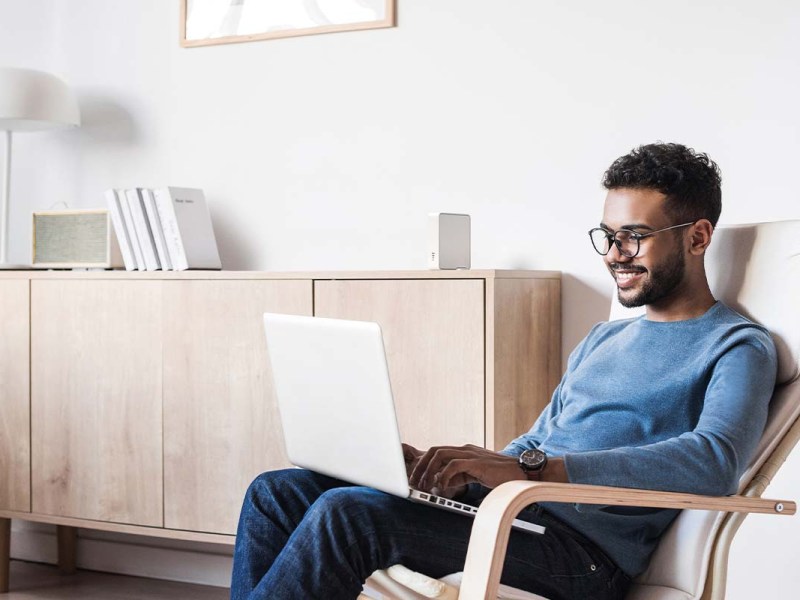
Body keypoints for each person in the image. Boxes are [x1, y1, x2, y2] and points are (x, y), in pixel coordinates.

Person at [230, 143, 777, 600]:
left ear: (698, 237)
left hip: (580, 555)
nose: (613, 254)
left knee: (348, 515)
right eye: (606, 236)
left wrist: (536, 472)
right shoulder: (605, 337)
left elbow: (714, 462)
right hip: (513, 513)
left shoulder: (736, 345)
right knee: (275, 493)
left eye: (634, 235)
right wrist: (461, 469)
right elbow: (542, 439)